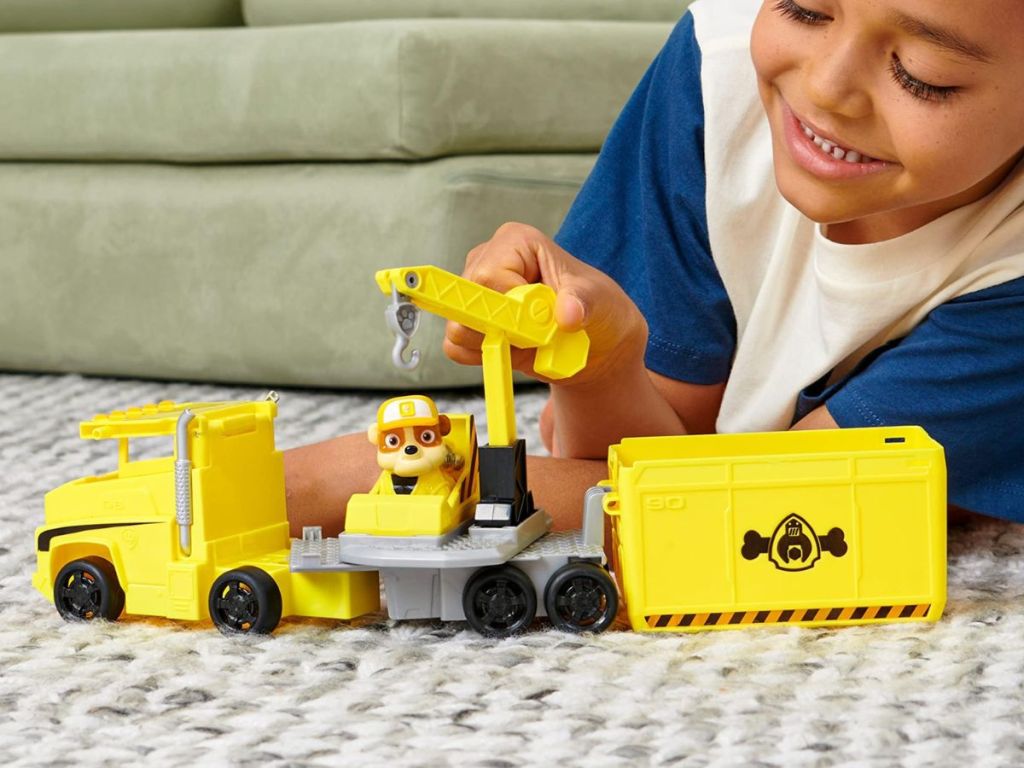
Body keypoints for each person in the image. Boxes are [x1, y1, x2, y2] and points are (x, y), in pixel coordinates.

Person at [285, 0, 1024, 536]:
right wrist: (603, 366)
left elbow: (777, 517)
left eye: (921, 74)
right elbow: (634, 462)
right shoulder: (719, 69)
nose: (826, 88)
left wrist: (390, 481)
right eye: (803, 8)